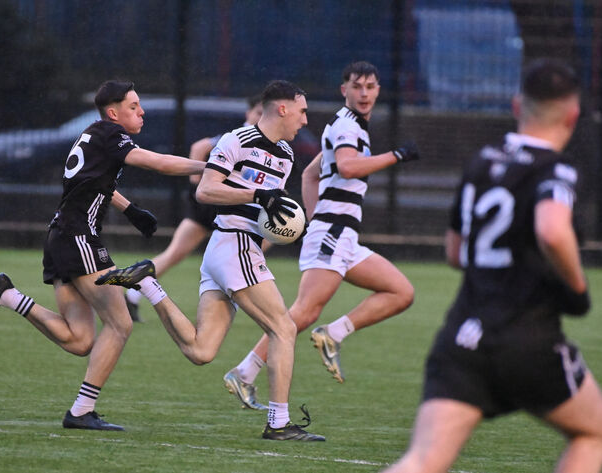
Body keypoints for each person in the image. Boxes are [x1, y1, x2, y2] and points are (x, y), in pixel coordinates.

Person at [382, 59, 602, 473]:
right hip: (527, 340)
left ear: (515, 105)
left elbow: (456, 253)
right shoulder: (556, 168)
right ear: (574, 115)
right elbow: (552, 229)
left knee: (421, 460)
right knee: (594, 434)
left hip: (464, 338)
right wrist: (577, 288)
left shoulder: (481, 164)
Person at [0, 80, 205, 431]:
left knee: (80, 340)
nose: (142, 111)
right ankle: (80, 412)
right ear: (113, 112)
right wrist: (209, 168)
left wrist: (130, 209)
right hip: (79, 238)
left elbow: (93, 183)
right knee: (120, 325)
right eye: (134, 106)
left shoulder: (93, 135)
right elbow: (159, 163)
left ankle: (8, 296)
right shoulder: (111, 134)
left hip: (62, 237)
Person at [98, 80, 325, 441]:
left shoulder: (285, 154)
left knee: (202, 351)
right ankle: (279, 423)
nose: (305, 119)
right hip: (232, 244)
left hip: (235, 249)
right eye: (302, 111)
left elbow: (266, 213)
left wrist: (288, 226)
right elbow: (204, 190)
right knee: (284, 328)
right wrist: (257, 194)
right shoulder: (236, 140)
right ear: (282, 108)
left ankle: (148, 285)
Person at [222, 61, 419, 410]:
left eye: (370, 87)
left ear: (377, 91)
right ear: (344, 90)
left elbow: (311, 175)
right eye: (356, 86)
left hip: (341, 236)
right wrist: (396, 156)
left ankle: (335, 333)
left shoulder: (349, 126)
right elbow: (346, 166)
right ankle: (244, 372)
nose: (364, 93)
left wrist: (313, 222)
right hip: (334, 234)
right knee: (302, 313)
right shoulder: (347, 127)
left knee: (401, 292)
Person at [123, 95, 265, 321]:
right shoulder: (244, 136)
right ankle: (241, 298)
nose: (261, 118)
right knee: (252, 248)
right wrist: (198, 187)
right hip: (220, 205)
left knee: (176, 254)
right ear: (248, 114)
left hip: (226, 205)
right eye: (258, 112)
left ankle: (132, 292)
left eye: (265, 114)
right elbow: (199, 147)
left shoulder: (262, 141)